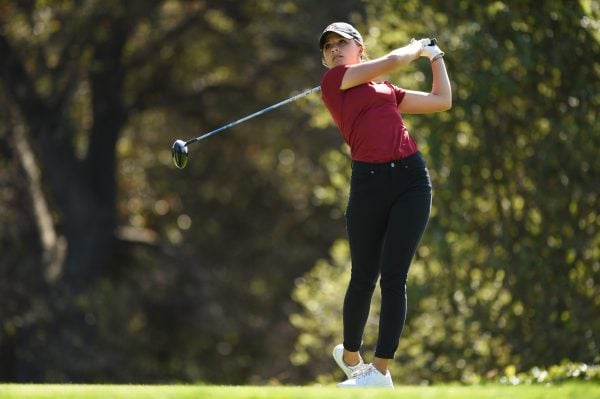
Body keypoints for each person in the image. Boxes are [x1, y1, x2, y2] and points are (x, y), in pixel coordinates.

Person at [318, 22, 452, 388]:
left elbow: (441, 100)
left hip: (411, 180)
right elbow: (393, 60)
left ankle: (380, 372)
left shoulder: (385, 90)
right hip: (368, 183)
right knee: (363, 276)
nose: (333, 50)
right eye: (327, 47)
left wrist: (435, 56)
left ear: (359, 47)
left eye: (340, 43)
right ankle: (350, 358)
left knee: (395, 277)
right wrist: (416, 46)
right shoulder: (334, 82)